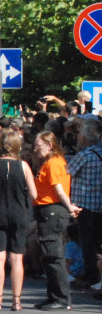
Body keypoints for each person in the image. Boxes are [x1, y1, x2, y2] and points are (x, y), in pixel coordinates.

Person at [0, 131, 36, 311]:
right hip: (19, 213)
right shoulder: (24, 166)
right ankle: (17, 301)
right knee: (16, 258)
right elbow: (34, 193)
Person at [30, 131, 79, 310]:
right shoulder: (49, 163)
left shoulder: (54, 163)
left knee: (53, 255)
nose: (35, 149)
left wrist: (69, 206)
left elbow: (59, 190)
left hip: (53, 211)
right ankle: (53, 296)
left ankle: (61, 298)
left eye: (38, 145)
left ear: (49, 145)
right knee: (48, 256)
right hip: (47, 210)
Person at [66, 119, 102, 290]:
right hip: (99, 204)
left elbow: (68, 173)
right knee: (97, 242)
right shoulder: (99, 153)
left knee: (87, 242)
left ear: (84, 138)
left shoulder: (85, 155)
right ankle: (97, 276)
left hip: (85, 205)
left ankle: (91, 276)